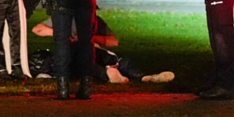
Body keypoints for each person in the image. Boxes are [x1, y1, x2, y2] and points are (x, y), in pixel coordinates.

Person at [30, 16, 174, 84]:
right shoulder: (64, 19)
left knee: (121, 61)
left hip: (98, 52)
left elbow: (113, 41)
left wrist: (92, 38)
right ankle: (109, 73)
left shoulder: (95, 21)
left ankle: (146, 77)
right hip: (78, 54)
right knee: (85, 63)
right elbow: (37, 29)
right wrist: (64, 35)